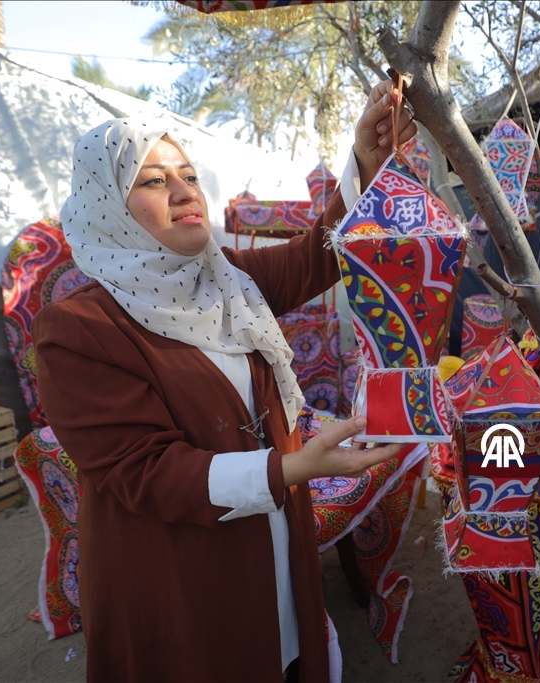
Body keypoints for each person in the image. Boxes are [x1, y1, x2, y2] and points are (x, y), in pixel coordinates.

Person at [33, 80, 417, 683]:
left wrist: (364, 166)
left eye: (187, 174)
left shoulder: (224, 278)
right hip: (181, 567)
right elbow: (143, 469)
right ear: (106, 204)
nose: (186, 193)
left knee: (282, 649)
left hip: (270, 534)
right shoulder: (76, 328)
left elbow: (317, 256)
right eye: (154, 181)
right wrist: (289, 469)